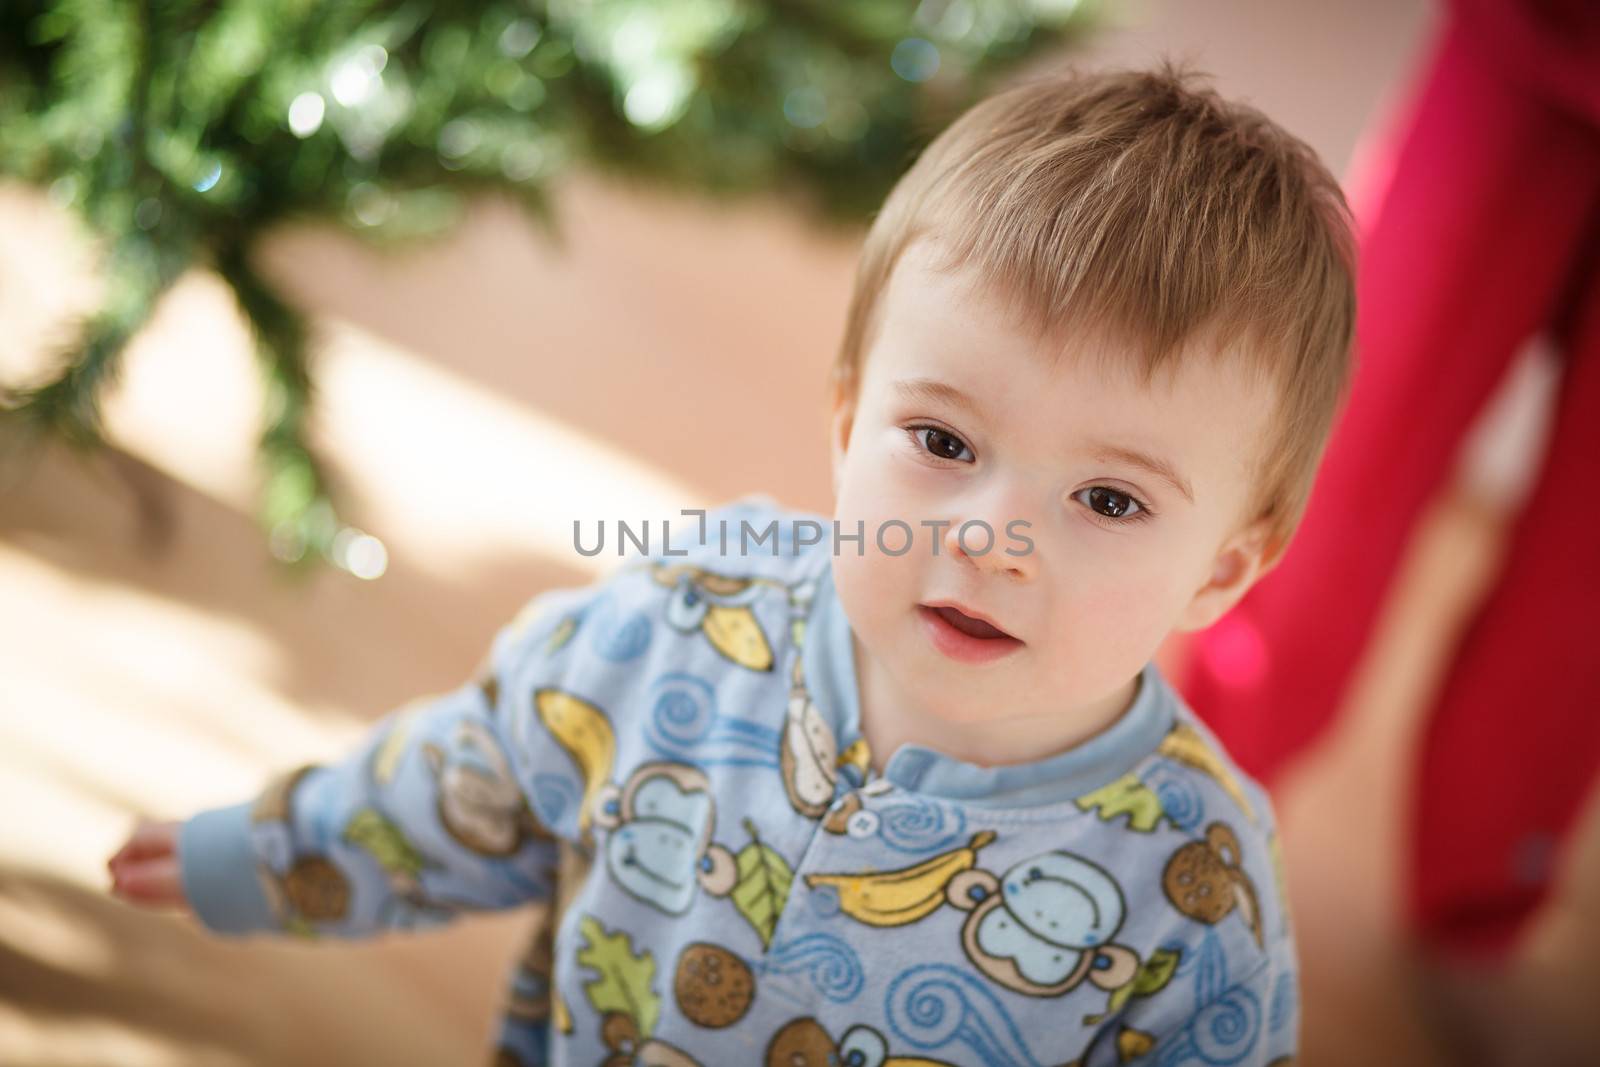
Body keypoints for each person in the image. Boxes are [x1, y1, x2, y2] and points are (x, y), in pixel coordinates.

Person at [106, 58, 1354, 1066]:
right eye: (940, 439)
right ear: (846, 422)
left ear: (1221, 573)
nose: (990, 539)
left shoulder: (1195, 891)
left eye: (1106, 497)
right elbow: (481, 770)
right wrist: (277, 847)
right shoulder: (685, 615)